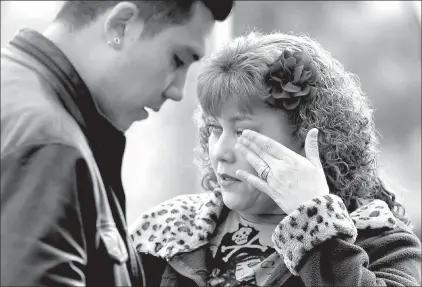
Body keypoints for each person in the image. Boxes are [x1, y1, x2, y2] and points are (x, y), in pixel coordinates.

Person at [130, 31, 422, 286]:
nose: (219, 150)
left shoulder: (379, 239)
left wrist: (316, 225)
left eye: (242, 131)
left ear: (309, 136)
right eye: (215, 129)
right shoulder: (164, 232)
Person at [0, 1, 235, 286]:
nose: (177, 91)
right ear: (120, 26)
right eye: (178, 59)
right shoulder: (51, 145)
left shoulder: (20, 97)